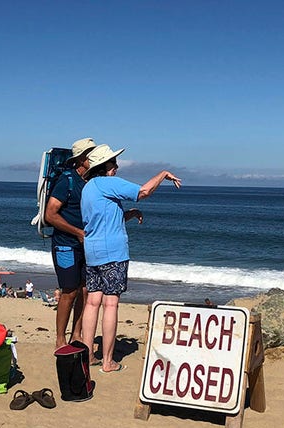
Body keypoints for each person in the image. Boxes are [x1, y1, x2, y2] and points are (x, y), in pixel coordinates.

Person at [78, 144, 181, 373]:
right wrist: (163, 174)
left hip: (93, 252)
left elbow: (100, 220)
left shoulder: (88, 188)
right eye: (113, 163)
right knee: (111, 303)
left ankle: (88, 357)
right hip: (113, 253)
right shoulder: (108, 183)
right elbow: (143, 192)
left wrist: (129, 215)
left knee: (92, 302)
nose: (116, 166)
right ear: (104, 167)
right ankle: (107, 361)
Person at [44, 137, 95, 349]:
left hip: (85, 244)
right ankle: (60, 339)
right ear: (81, 159)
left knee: (85, 290)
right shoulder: (67, 180)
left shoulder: (91, 181)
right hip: (65, 244)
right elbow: (50, 214)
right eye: (91, 155)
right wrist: (77, 232)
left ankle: (77, 334)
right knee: (69, 291)